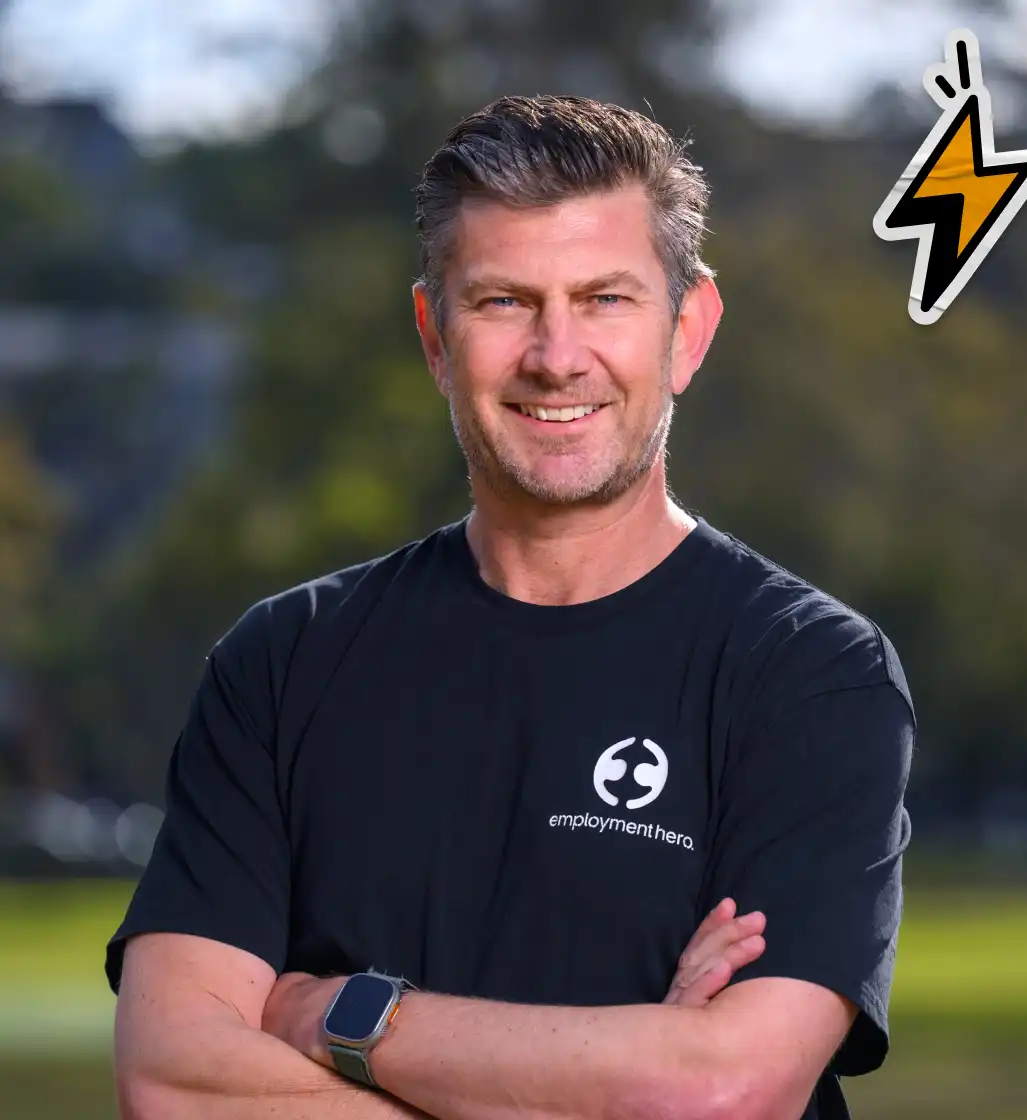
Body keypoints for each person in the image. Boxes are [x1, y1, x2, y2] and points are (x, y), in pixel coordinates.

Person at [107, 94, 914, 1120]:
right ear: (433, 336)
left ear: (688, 329)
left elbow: (723, 1090)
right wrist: (620, 1080)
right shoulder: (282, 663)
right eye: (502, 302)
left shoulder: (808, 672)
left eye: (605, 299)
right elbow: (174, 1082)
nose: (556, 355)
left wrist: (344, 1020)